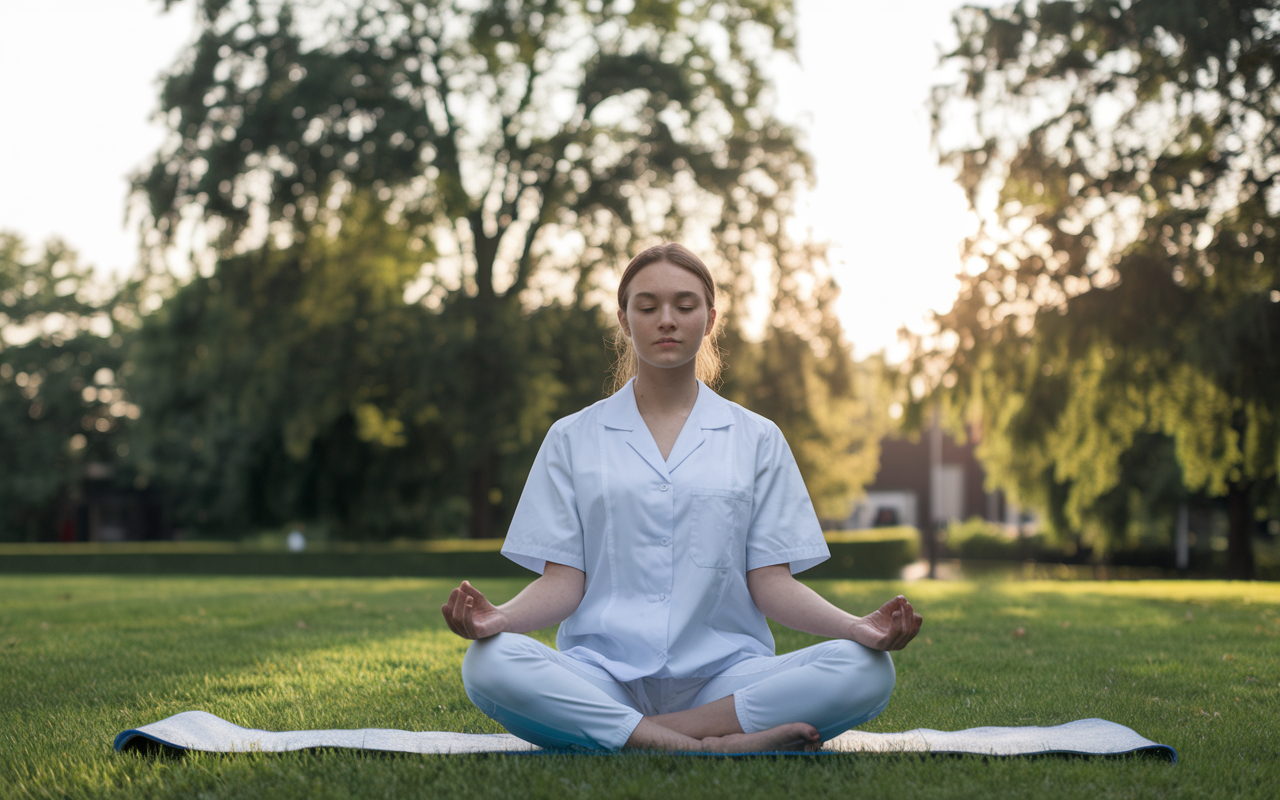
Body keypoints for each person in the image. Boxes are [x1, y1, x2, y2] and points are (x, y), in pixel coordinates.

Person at [441, 243, 922, 752]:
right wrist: (501, 619)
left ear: (710, 319)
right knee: (489, 662)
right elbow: (564, 583)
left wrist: (854, 627)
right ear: (625, 321)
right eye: (647, 307)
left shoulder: (756, 438)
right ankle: (710, 746)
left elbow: (770, 584)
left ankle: (644, 737)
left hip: (727, 679)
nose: (666, 320)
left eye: (685, 306)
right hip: (602, 678)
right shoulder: (571, 437)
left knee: (866, 668)